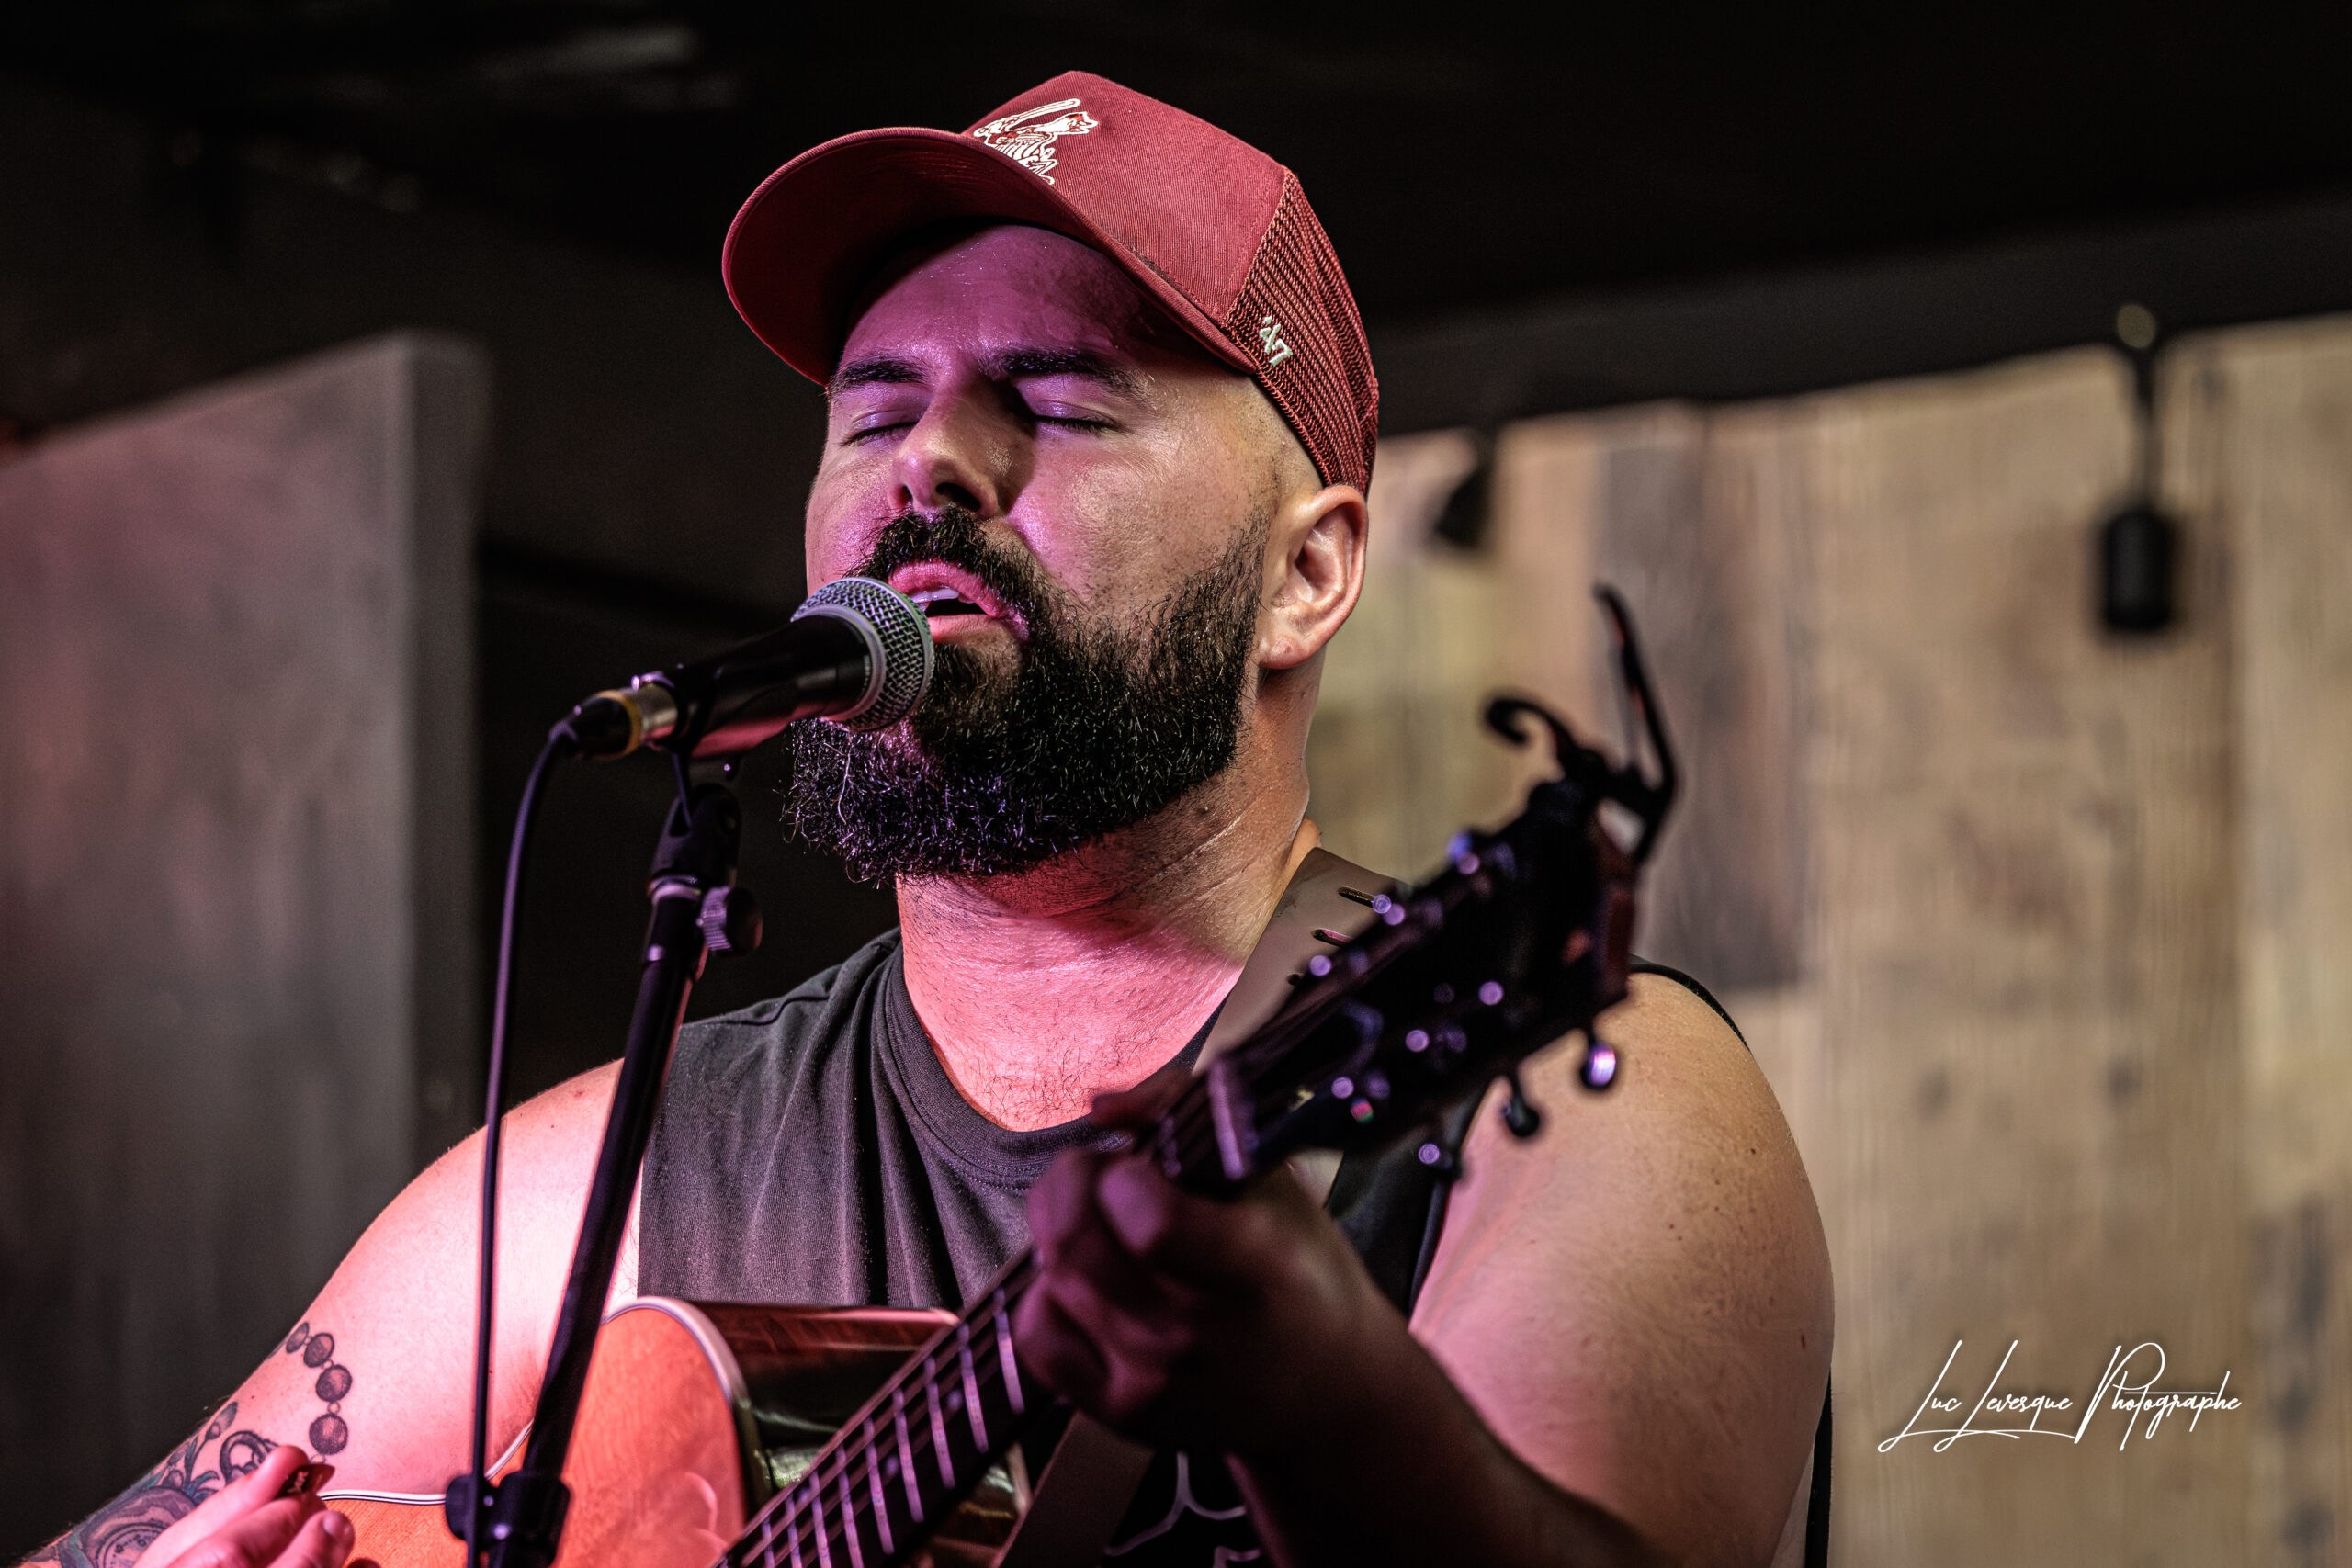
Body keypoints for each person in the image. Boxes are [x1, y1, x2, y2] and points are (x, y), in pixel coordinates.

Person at [24, 73, 1832, 1568]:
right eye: (870, 408)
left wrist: (1331, 1408)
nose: (927, 466)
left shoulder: (1566, 1086)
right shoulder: (623, 1173)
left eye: (1053, 403)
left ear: (1308, 574)